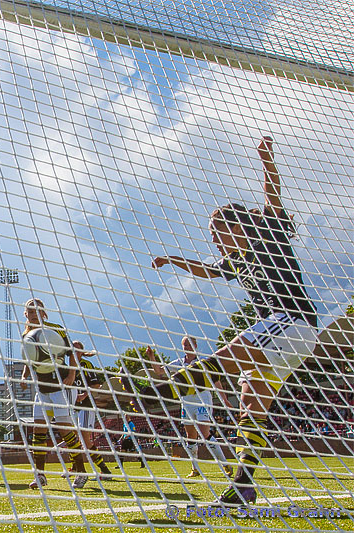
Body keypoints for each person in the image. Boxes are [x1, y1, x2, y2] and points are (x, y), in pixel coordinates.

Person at [142, 136, 319, 505]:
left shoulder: (266, 234)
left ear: (237, 226)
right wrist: (173, 260)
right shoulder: (235, 261)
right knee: (249, 407)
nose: (213, 237)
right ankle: (243, 486)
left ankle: (162, 391)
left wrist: (267, 160)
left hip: (295, 323)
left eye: (216, 230)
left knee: (237, 348)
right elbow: (207, 271)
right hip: (282, 343)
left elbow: (272, 195)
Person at [20, 298, 86, 490]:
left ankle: (81, 472)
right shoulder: (26, 334)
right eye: (30, 311)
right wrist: (24, 377)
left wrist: (72, 374)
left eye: (38, 311)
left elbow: (71, 352)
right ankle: (40, 476)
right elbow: (28, 358)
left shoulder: (55, 329)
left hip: (60, 386)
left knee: (65, 430)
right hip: (41, 389)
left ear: (44, 313)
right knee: (38, 431)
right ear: (26, 314)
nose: (34, 314)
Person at [147, 340, 234, 478]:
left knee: (204, 432)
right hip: (186, 402)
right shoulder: (178, 363)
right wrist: (152, 357)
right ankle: (195, 468)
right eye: (185, 345)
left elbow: (216, 381)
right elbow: (159, 371)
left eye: (189, 344)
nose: (187, 347)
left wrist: (224, 399)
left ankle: (224, 464)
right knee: (191, 436)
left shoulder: (203, 363)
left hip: (202, 401)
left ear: (195, 346)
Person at [69, 341, 113, 480]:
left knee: (84, 440)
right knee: (72, 438)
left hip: (86, 406)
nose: (75, 352)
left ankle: (105, 470)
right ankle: (75, 468)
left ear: (82, 352)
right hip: (72, 408)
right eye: (72, 349)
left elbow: (96, 385)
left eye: (77, 349)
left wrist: (84, 395)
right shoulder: (65, 366)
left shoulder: (86, 366)